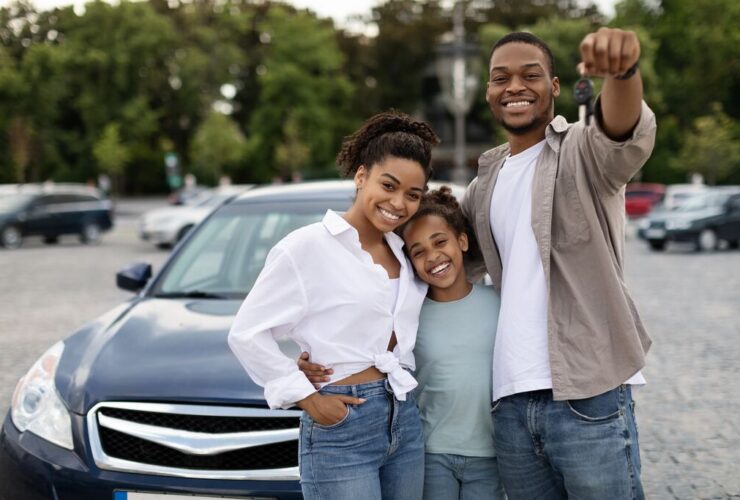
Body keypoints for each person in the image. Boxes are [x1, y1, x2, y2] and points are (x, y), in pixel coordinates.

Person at [461, 29, 656, 499]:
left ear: (554, 86)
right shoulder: (483, 184)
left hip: (587, 392)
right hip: (509, 403)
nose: (514, 87)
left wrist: (623, 73)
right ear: (487, 91)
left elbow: (622, 133)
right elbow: (433, 269)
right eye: (500, 78)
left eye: (531, 75)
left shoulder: (582, 151)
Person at [228, 110, 439, 500]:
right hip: (343, 423)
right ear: (361, 177)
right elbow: (247, 334)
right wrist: (308, 398)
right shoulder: (307, 247)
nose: (399, 203)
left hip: (404, 418)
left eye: (413, 194)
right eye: (388, 185)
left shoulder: (404, 249)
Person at [300, 187, 505, 500]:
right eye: (418, 251)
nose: (433, 256)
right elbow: (362, 348)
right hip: (429, 453)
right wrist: (309, 365)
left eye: (440, 242)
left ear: (462, 241)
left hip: (490, 455)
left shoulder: (498, 304)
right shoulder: (407, 314)